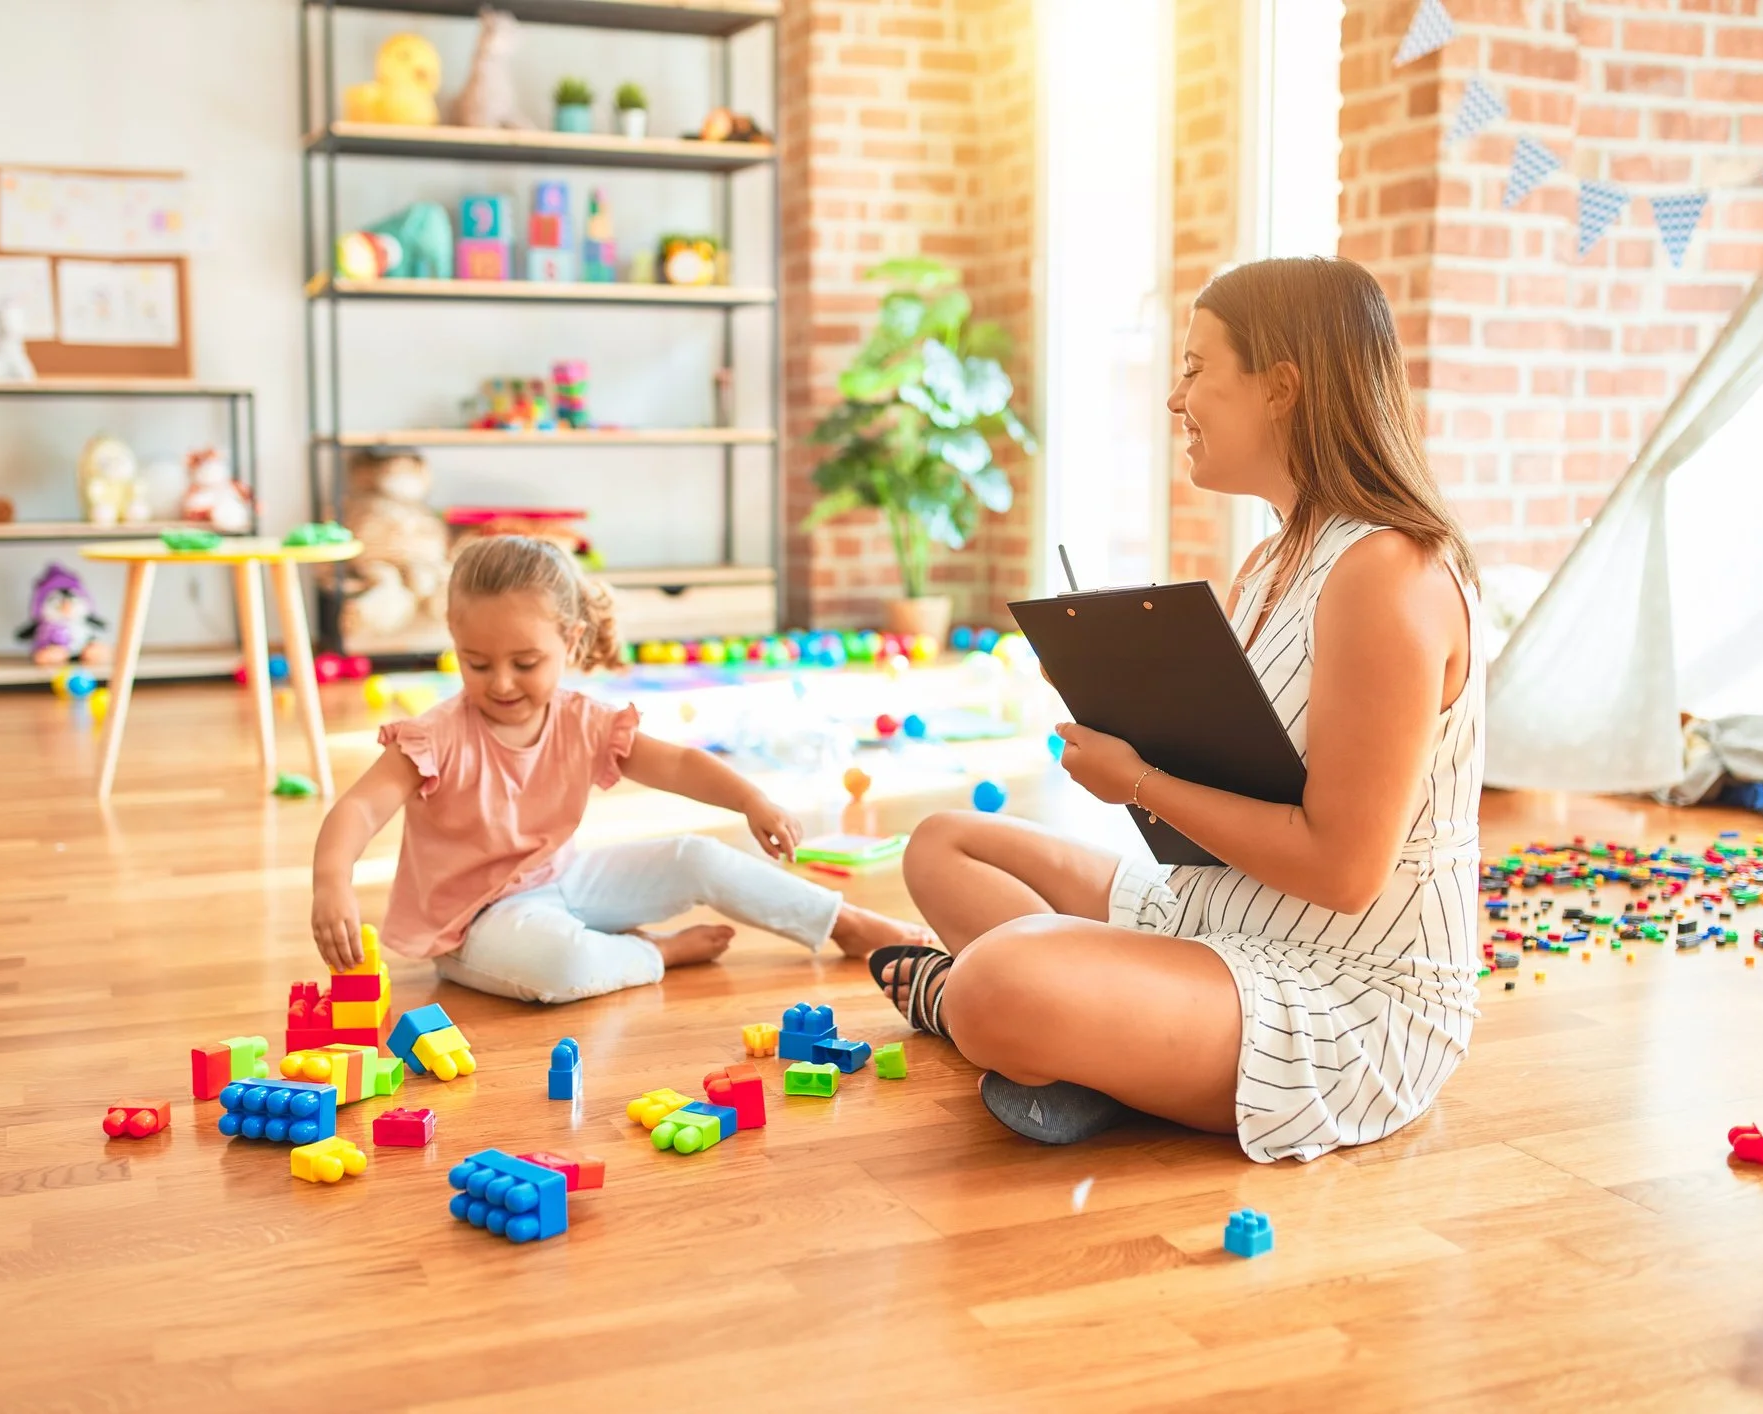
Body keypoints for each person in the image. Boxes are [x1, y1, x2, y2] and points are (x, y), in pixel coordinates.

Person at [871, 257, 1483, 1161]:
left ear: (1282, 388)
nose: (1173, 398)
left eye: (1197, 367)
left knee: (997, 982)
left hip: (1349, 992)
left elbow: (1346, 872)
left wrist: (1143, 781)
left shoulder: (1387, 576)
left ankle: (1050, 1032)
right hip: (1222, 912)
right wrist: (1119, 710)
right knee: (943, 845)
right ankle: (1106, 1056)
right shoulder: (1273, 564)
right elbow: (1246, 767)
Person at [312, 535, 929, 1003]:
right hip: (474, 926)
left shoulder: (584, 719)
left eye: (526, 663)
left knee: (697, 856)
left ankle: (842, 922)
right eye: (476, 663)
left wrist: (750, 800)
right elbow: (361, 806)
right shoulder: (435, 735)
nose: (500, 683)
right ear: (453, 639)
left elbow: (679, 764)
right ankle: (651, 954)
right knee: (564, 969)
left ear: (572, 643)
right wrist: (332, 881)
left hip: (566, 881)